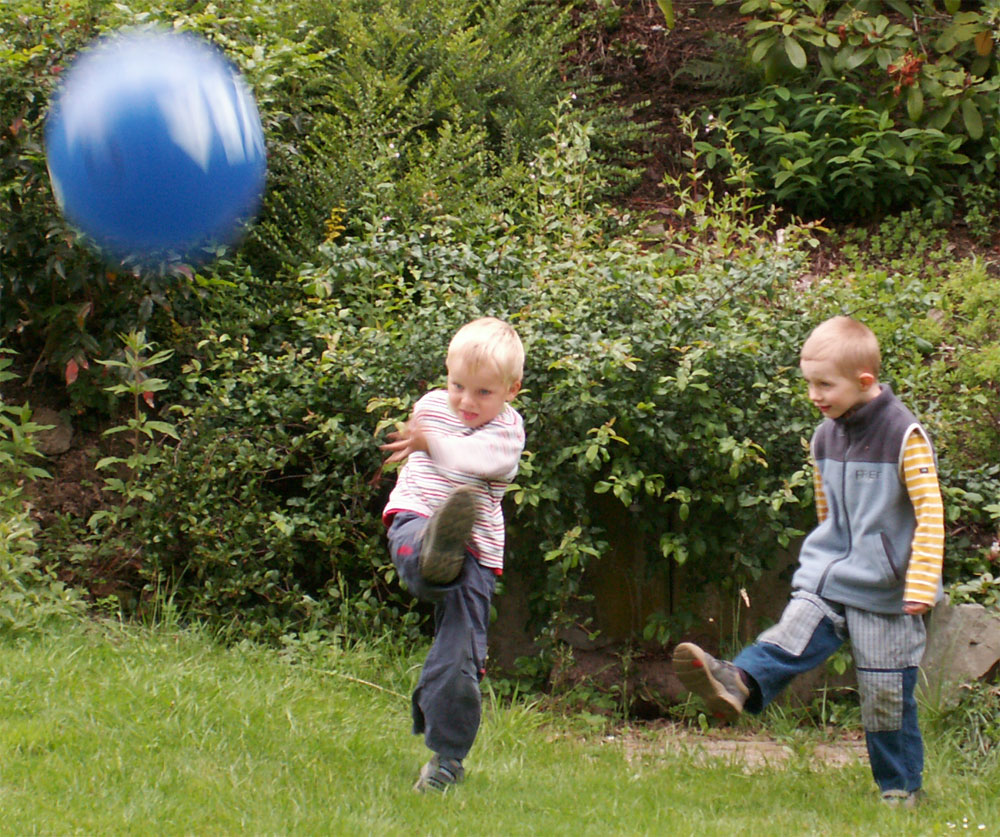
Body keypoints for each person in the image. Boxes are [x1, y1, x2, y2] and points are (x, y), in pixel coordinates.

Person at [672, 316, 944, 808]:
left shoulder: (905, 436)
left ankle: (901, 790)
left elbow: (930, 512)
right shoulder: (825, 435)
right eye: (809, 384)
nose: (815, 395)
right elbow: (828, 511)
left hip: (888, 591)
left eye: (825, 384)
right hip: (830, 575)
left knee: (886, 700)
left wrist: (922, 583)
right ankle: (738, 682)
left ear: (864, 382)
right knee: (789, 636)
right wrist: (822, 558)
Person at [380, 316, 525, 793]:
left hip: (476, 551)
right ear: (445, 374)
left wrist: (431, 443)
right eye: (457, 385)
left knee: (461, 654)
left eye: (483, 393)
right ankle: (433, 549)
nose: (465, 401)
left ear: (511, 389)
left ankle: (446, 760)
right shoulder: (431, 406)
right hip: (415, 517)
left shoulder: (508, 431)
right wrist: (413, 440)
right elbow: (415, 442)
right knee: (421, 549)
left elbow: (480, 461)